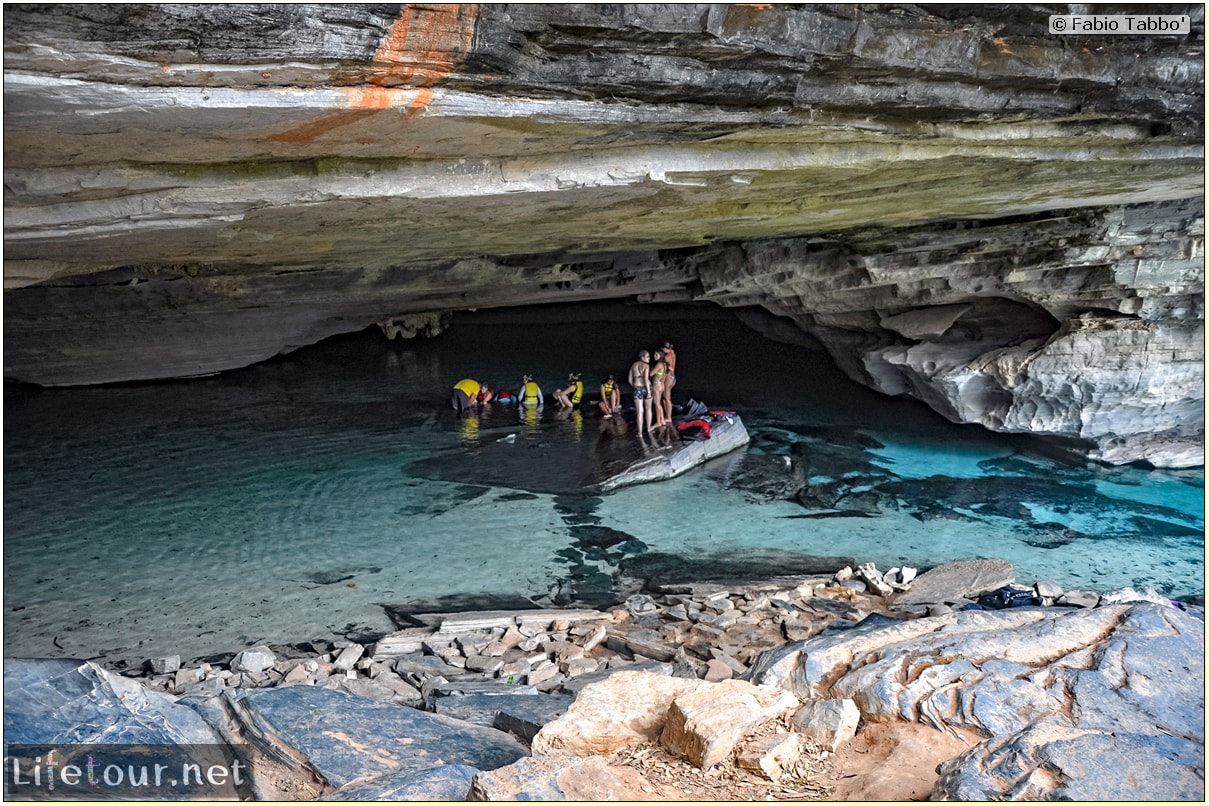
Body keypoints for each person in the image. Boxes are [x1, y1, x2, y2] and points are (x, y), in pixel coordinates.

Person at [628, 350, 652, 436]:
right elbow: (645, 379)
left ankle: (640, 433)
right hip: (647, 387)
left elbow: (630, 380)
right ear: (642, 357)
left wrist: (635, 386)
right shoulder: (646, 366)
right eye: (647, 356)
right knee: (648, 409)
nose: (649, 358)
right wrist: (648, 392)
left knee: (639, 411)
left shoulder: (633, 365)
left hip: (637, 387)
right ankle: (649, 429)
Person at [650, 349, 671, 428]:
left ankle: (658, 422)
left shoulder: (659, 364)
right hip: (661, 385)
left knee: (656, 404)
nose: (654, 356)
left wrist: (651, 368)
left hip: (656, 385)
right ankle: (662, 420)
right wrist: (662, 384)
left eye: (656, 355)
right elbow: (664, 376)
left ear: (660, 356)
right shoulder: (665, 365)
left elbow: (651, 374)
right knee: (659, 403)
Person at [661, 340, 677, 422]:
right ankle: (666, 415)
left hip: (669, 378)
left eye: (663, 348)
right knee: (664, 398)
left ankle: (669, 417)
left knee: (667, 398)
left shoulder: (667, 357)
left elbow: (668, 368)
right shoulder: (672, 353)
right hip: (672, 377)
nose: (662, 350)